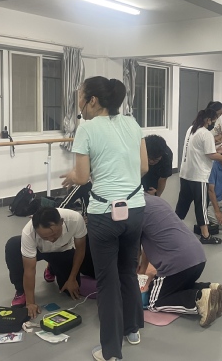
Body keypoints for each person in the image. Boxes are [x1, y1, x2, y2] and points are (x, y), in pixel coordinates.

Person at [61, 76, 147, 361]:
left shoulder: (87, 129)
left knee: (107, 282)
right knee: (128, 271)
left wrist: (72, 175)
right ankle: (132, 330)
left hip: (105, 215)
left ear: (93, 100)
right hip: (135, 209)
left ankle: (111, 351)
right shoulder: (132, 123)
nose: (79, 104)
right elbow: (144, 167)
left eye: (80, 97)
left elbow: (82, 176)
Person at [138, 194, 222, 327]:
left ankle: (200, 299)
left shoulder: (134, 209)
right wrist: (143, 270)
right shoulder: (156, 201)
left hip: (177, 264)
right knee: (176, 287)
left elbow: (134, 250)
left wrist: (136, 275)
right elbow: (146, 243)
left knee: (154, 301)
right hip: (198, 257)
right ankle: (211, 289)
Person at [4, 200, 95, 316]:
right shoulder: (29, 232)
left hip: (63, 251)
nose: (51, 239)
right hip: (39, 250)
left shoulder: (76, 220)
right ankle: (21, 291)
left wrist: (72, 278)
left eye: (54, 234)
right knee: (13, 246)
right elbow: (29, 269)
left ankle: (51, 267)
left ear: (61, 222)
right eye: (45, 237)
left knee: (69, 290)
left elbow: (80, 250)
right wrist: (30, 303)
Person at [175, 108, 222, 244]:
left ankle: (171, 230)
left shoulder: (192, 129)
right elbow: (211, 155)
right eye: (214, 121)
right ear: (208, 120)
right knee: (201, 206)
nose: (214, 124)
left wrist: (216, 150)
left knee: (182, 205)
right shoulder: (206, 133)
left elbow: (198, 149)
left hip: (185, 174)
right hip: (198, 176)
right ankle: (205, 236)